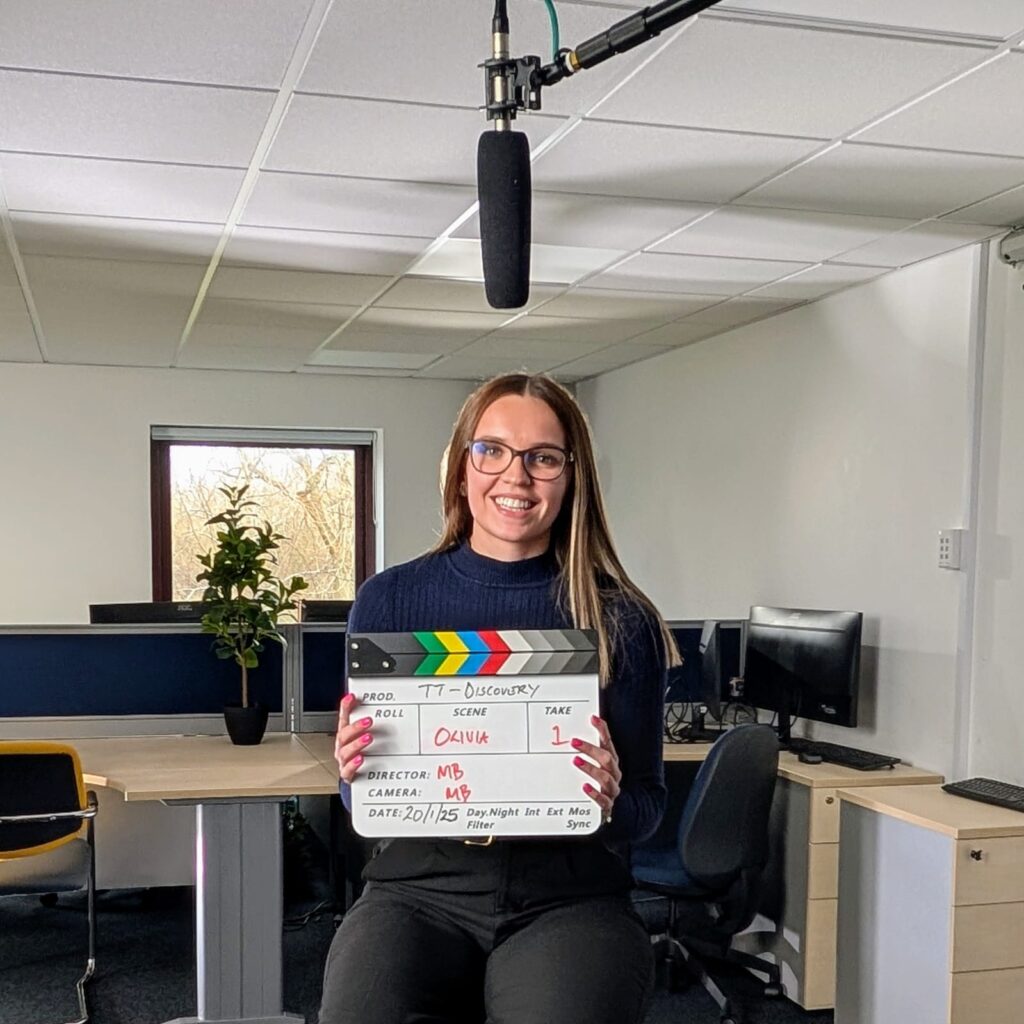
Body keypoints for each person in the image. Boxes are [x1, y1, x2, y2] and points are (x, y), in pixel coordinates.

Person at [320, 372, 678, 1024]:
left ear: (572, 478)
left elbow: (647, 808)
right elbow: (362, 797)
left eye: (543, 458)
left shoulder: (619, 618)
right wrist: (352, 773)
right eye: (492, 451)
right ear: (462, 469)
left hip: (569, 894)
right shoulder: (389, 601)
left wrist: (608, 799)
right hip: (417, 887)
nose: (516, 476)